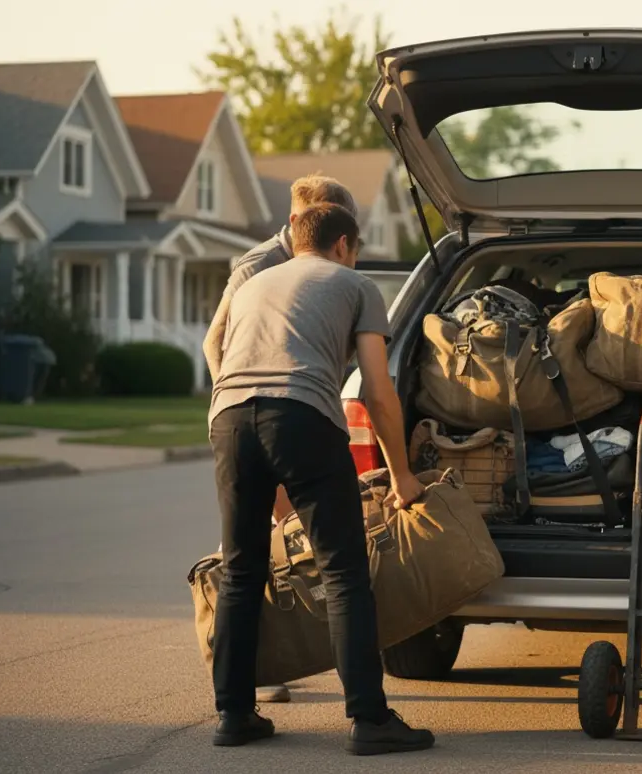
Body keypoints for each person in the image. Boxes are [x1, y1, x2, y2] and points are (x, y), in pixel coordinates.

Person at [207, 202, 433, 755]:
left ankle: (235, 715)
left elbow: (217, 348)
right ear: (343, 245)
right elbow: (378, 392)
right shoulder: (354, 285)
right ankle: (369, 719)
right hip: (302, 415)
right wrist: (402, 475)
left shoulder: (254, 281)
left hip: (229, 418)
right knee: (343, 572)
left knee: (241, 570)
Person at [203, 174, 358, 705]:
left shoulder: (325, 272)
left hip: (260, 419)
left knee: (250, 566)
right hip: (264, 418)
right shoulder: (255, 267)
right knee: (287, 564)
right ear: (298, 221)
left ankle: (234, 708)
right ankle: (264, 678)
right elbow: (214, 342)